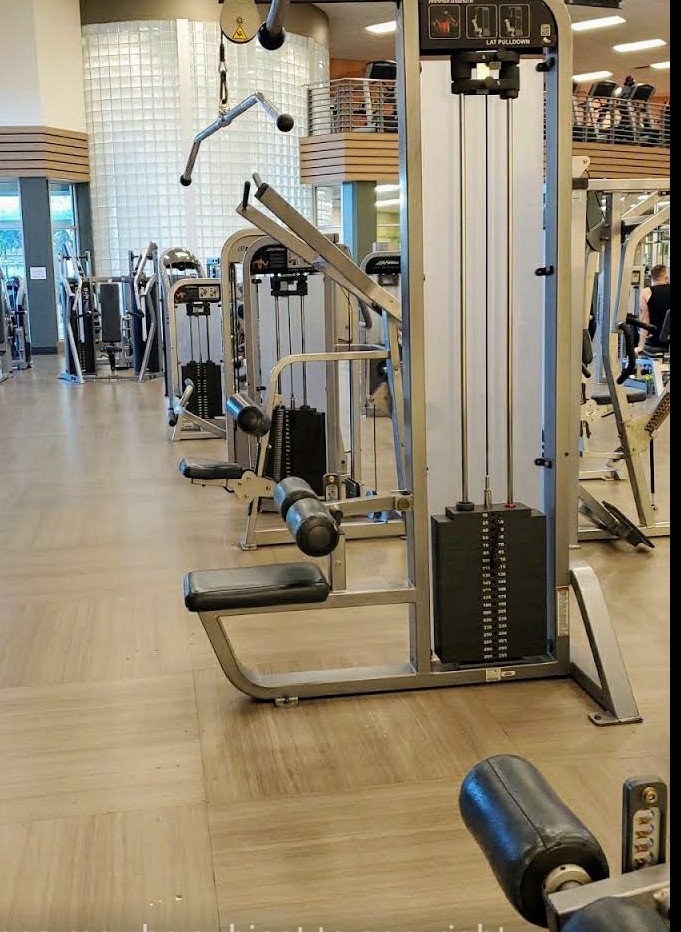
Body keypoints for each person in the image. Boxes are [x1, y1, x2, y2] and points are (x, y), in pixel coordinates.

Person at [637, 264, 670, 354]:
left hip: (655, 341)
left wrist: (640, 346)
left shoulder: (646, 292)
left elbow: (645, 319)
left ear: (652, 278)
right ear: (666, 277)